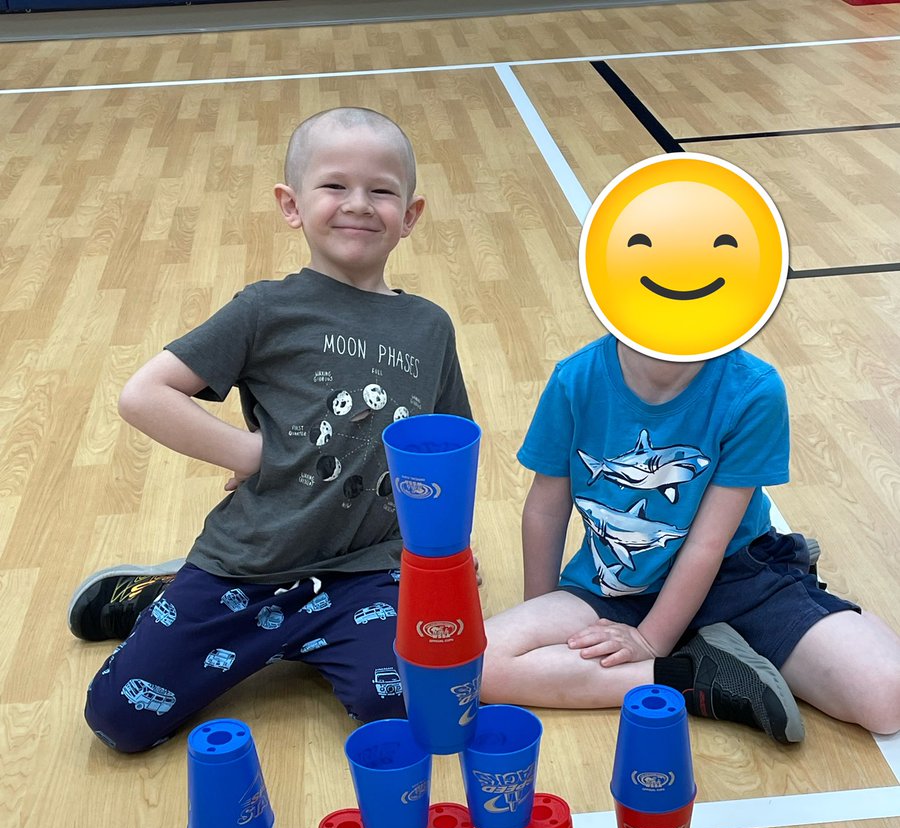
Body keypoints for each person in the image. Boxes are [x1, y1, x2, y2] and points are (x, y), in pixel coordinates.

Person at [68, 107, 471, 752]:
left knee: (401, 704)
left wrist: (444, 561)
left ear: (412, 215)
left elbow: (445, 447)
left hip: (363, 569)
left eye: (383, 191)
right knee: (119, 721)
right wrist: (253, 454)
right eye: (334, 186)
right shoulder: (266, 309)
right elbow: (144, 395)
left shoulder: (429, 327)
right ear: (292, 205)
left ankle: (308, 634)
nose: (359, 205)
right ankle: (160, 597)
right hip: (249, 566)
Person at [480, 334, 900, 743]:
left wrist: (650, 641)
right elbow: (546, 508)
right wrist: (537, 611)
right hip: (618, 585)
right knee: (477, 667)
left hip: (737, 576)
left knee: (885, 698)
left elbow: (706, 545)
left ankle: (788, 594)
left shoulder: (753, 389)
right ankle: (699, 676)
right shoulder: (576, 378)